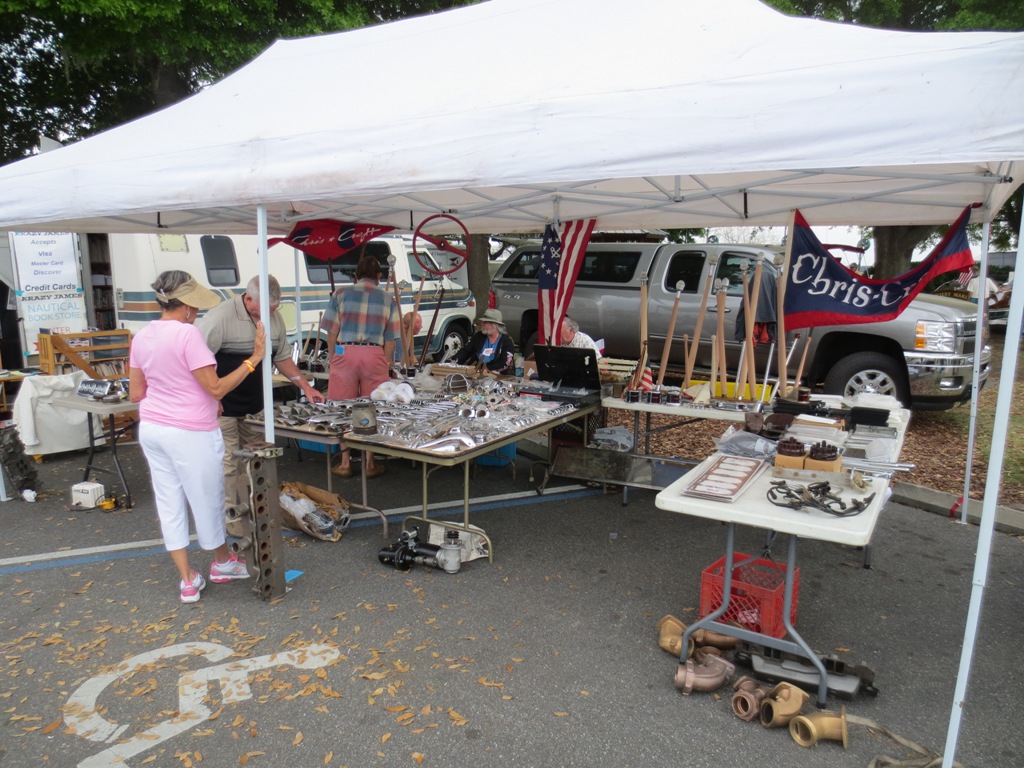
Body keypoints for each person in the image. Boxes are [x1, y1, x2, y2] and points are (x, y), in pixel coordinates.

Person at [129, 270, 265, 604]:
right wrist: (253, 360)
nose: (198, 312)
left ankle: (187, 579)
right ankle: (222, 563)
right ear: (187, 306)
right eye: (196, 307)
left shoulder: (142, 336)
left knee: (169, 501)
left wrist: (176, 391)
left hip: (153, 427)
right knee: (206, 498)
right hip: (190, 430)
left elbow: (136, 392)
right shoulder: (187, 335)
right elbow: (216, 387)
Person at [198, 275, 325, 507]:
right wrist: (209, 397)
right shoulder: (219, 318)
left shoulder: (274, 318)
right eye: (265, 309)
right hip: (222, 405)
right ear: (248, 299)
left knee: (256, 459)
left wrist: (306, 387)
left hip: (254, 405)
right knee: (229, 463)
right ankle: (232, 514)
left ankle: (256, 511)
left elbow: (282, 357)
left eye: (274, 309)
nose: (270, 314)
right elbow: (198, 362)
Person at [321, 254, 400, 478]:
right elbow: (391, 339)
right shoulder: (388, 299)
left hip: (345, 351)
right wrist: (385, 361)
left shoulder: (340, 294)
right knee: (371, 406)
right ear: (378, 276)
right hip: (374, 353)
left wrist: (334, 355)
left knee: (342, 406)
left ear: (356, 274)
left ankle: (345, 462)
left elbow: (331, 331)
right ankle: (369, 462)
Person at [455, 308, 516, 374]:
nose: (482, 324)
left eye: (485, 322)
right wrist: (453, 361)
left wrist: (487, 369)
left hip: (495, 374)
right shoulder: (478, 336)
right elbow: (465, 351)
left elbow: (504, 362)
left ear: (494, 325)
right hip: (474, 371)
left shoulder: (506, 341)